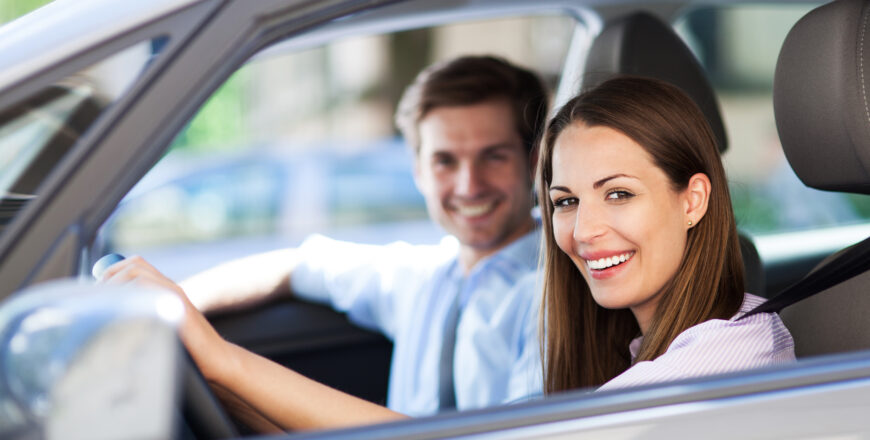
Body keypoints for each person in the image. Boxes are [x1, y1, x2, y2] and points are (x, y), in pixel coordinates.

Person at [102, 55, 549, 431]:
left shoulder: (555, 294)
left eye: (494, 156)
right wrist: (171, 310)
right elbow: (292, 267)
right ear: (417, 170)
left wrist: (222, 361)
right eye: (444, 161)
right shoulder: (420, 276)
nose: (469, 185)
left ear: (532, 162)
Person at [536, 76, 795, 393]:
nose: (584, 231)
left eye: (619, 194)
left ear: (692, 201)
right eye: (566, 201)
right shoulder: (643, 350)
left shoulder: (731, 353)